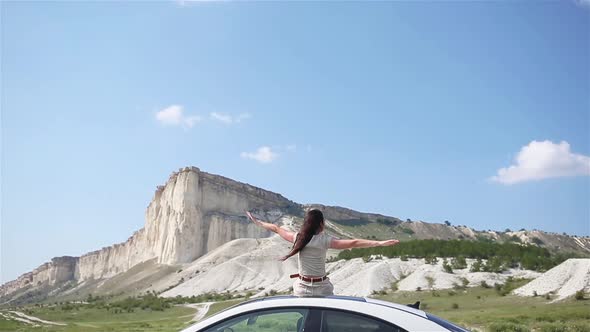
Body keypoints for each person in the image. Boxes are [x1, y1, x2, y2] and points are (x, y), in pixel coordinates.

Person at [246, 209, 400, 297]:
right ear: (321, 223)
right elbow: (353, 243)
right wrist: (379, 243)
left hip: (302, 287)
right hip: (323, 287)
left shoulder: (297, 238)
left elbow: (275, 228)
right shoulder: (325, 240)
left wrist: (258, 222)